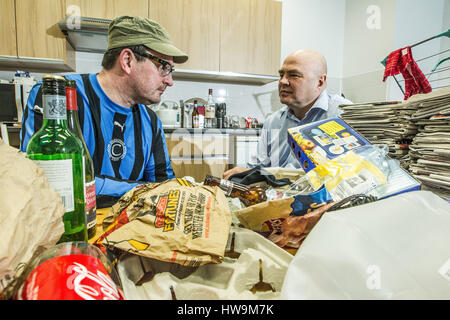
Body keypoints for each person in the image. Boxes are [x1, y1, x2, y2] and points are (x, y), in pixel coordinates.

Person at [20, 15, 188, 208]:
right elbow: (47, 179)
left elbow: (163, 185)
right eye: (164, 67)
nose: (170, 81)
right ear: (127, 61)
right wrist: (140, 189)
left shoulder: (150, 121)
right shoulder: (57, 95)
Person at [223, 49, 352, 180]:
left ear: (320, 82)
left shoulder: (344, 114)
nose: (283, 82)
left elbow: (352, 173)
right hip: (278, 198)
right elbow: (260, 165)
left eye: (294, 75)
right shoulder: (273, 121)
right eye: (281, 75)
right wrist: (244, 172)